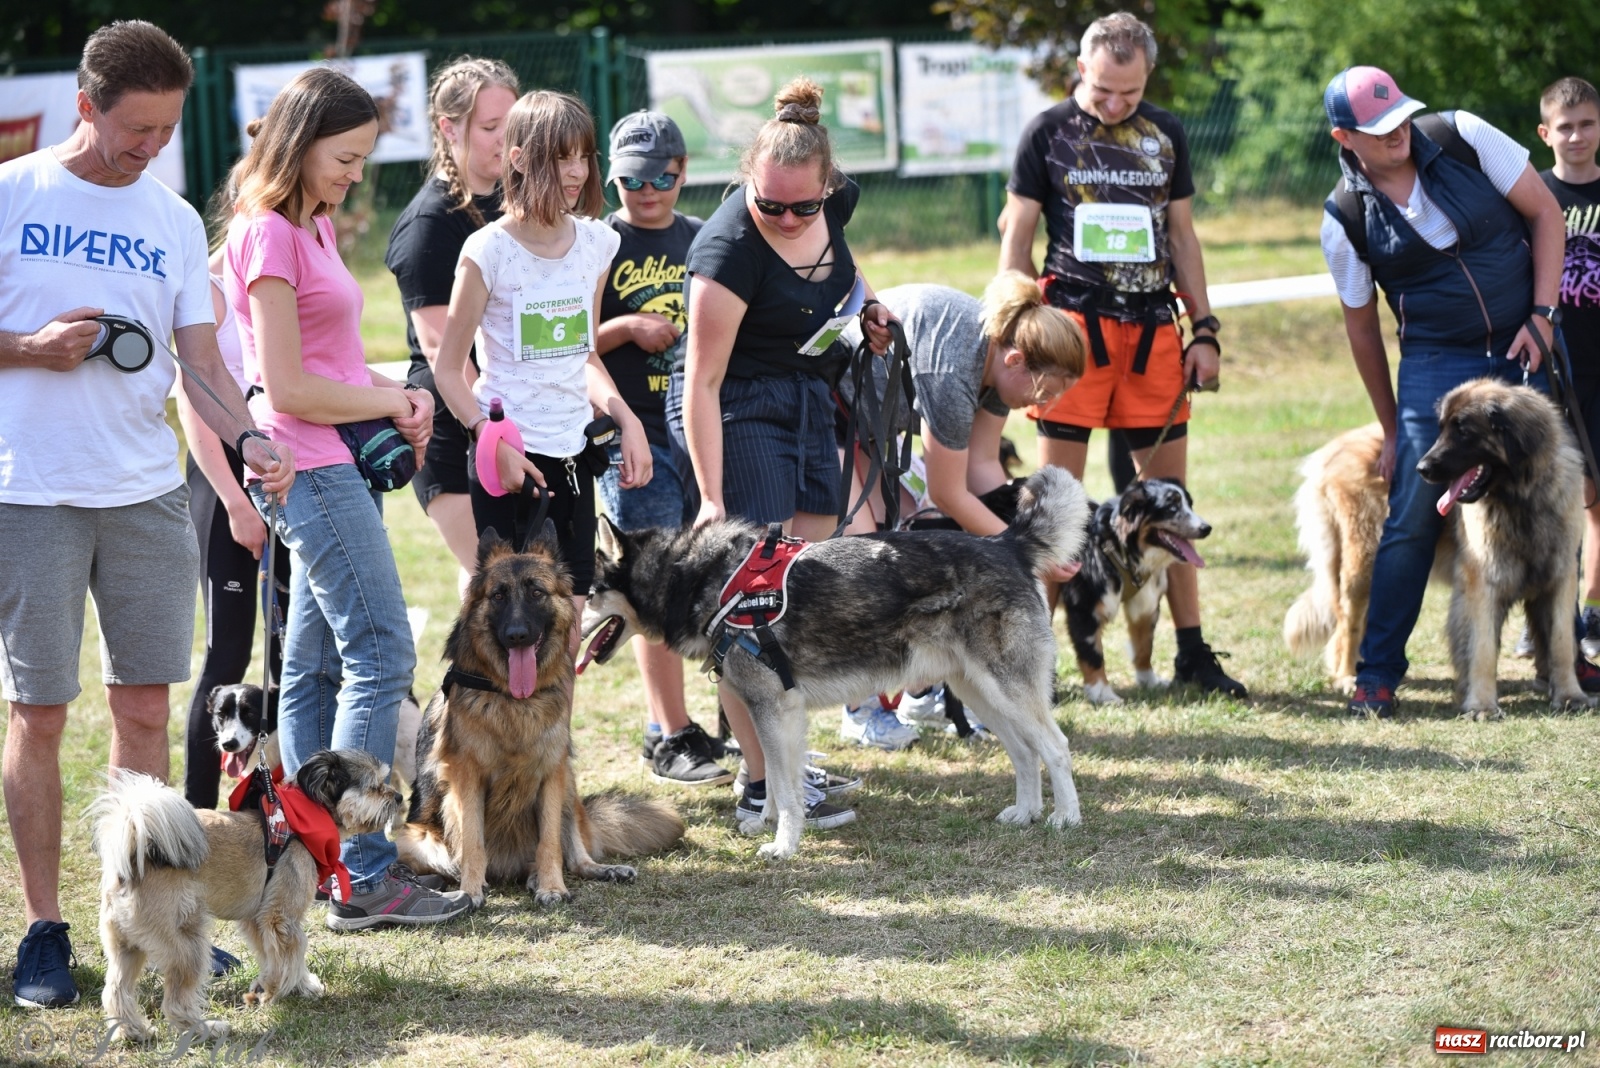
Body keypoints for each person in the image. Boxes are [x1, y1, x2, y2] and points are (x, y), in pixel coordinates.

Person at [1, 20, 295, 1009]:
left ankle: (148, 915)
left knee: (145, 710)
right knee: (39, 714)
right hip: (28, 489)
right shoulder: (15, 191)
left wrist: (249, 438)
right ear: (86, 106)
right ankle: (45, 930)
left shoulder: (170, 219)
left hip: (143, 492)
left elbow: (201, 364)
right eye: (135, 130)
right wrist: (30, 348)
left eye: (165, 131)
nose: (150, 148)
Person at [222, 66, 469, 927]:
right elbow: (286, 387)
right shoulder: (267, 235)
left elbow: (324, 369)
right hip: (308, 465)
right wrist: (390, 400)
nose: (355, 174)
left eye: (363, 160)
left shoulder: (313, 227)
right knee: (380, 651)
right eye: (346, 156)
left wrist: (396, 394)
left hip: (332, 461)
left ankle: (314, 861)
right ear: (301, 140)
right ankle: (363, 870)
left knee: (317, 666)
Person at [998, 11, 1245, 701]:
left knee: (1174, 507)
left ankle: (1192, 653)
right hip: (1072, 338)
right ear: (1083, 69)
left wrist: (1205, 329)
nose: (1114, 105)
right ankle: (1032, 664)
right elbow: (1014, 237)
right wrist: (1018, 330)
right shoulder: (1046, 133)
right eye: (1103, 90)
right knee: (1054, 512)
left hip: (1153, 339)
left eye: (1128, 95)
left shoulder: (1166, 134)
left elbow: (1184, 236)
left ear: (1147, 81)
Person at [671, 76, 897, 824]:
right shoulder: (727, 250)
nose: (790, 217)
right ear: (747, 183)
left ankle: (781, 759)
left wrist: (866, 308)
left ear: (829, 185)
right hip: (736, 409)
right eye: (771, 204)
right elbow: (700, 383)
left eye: (806, 205)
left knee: (796, 590)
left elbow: (847, 270)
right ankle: (762, 784)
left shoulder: (836, 203)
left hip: (805, 397)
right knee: (750, 603)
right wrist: (710, 496)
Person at [1319, 66, 1569, 717]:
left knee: (1549, 491)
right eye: (1378, 127)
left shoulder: (1463, 134)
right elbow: (1362, 329)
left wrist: (1544, 315)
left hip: (1525, 339)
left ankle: (1557, 661)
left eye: (1401, 116)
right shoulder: (1343, 216)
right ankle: (1377, 673)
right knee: (1410, 513)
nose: (1398, 132)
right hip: (1435, 362)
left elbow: (1546, 213)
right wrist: (1394, 425)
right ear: (1344, 136)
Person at [434, 89, 651, 633]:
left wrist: (627, 419)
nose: (576, 171)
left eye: (584, 155)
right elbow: (447, 370)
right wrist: (492, 440)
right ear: (519, 158)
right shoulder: (488, 251)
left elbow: (585, 356)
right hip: (507, 461)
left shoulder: (598, 243)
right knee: (512, 632)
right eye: (561, 156)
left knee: (566, 630)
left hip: (574, 458)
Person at [595, 110, 731, 786]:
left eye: (663, 178)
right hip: (631, 435)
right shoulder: (597, 243)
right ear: (609, 176)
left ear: (683, 173)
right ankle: (669, 730)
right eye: (632, 179)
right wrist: (623, 327)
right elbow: (562, 345)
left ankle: (720, 721)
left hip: (697, 428)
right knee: (652, 587)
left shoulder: (704, 239)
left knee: (712, 577)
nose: (648, 192)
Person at [386, 57, 519, 597]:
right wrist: (496, 434)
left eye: (515, 127)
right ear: (448, 127)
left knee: (504, 590)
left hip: (518, 418)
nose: (507, 142)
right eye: (491, 129)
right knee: (500, 591)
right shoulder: (430, 226)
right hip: (455, 428)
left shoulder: (520, 201)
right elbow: (450, 359)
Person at [177, 248, 292, 813]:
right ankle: (198, 813)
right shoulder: (210, 288)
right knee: (228, 654)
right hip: (224, 479)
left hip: (281, 469)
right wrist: (234, 504)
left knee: (292, 655)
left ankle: (282, 804)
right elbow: (193, 405)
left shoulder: (283, 276)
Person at [1537, 77, 1600, 658]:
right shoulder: (1535, 195)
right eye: (1565, 126)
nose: (1577, 136)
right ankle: (1557, 628)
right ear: (1545, 133)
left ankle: (1592, 609)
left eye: (1586, 124)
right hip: (1557, 366)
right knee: (1564, 493)